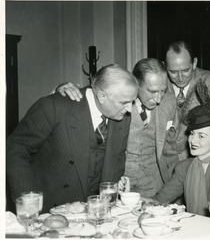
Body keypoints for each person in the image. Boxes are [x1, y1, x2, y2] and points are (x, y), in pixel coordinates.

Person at [6, 64, 138, 213]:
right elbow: (15, 149)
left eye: (132, 101)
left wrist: (115, 188)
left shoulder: (122, 117)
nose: (129, 109)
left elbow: (117, 160)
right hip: (50, 211)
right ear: (101, 96)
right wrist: (27, 200)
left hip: (95, 213)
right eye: (124, 102)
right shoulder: (55, 107)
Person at [54, 58, 177, 197]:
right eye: (153, 91)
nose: (159, 98)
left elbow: (170, 148)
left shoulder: (169, 102)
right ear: (136, 83)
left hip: (154, 185)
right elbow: (97, 93)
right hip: (118, 185)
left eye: (163, 91)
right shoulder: (116, 103)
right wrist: (62, 89)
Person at [122, 102, 210, 223]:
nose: (193, 140)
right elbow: (159, 200)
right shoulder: (184, 167)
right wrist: (129, 196)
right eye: (192, 133)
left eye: (201, 136)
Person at [161, 40, 210, 174]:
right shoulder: (158, 85)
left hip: (200, 169)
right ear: (165, 66)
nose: (180, 78)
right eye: (173, 72)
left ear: (194, 63)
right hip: (166, 171)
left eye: (185, 70)